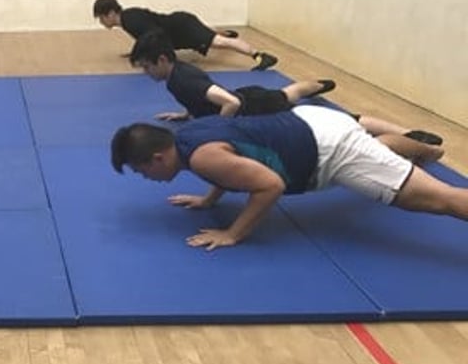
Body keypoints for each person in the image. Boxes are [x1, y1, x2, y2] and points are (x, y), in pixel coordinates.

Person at [109, 105, 468, 250]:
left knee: (440, 200)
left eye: (142, 171)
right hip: (314, 119)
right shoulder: (188, 134)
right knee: (370, 147)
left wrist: (233, 233)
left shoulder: (202, 157)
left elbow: (270, 185)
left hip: (334, 150)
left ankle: (420, 155)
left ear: (157, 158)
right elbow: (234, 160)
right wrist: (209, 200)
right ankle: (424, 150)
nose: (147, 179)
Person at [127, 30, 445, 163]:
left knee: (343, 122)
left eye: (146, 66)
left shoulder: (182, 79)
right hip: (254, 97)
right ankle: (316, 86)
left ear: (163, 60)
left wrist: (218, 129)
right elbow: (201, 99)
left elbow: (230, 103)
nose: (145, 73)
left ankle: (407, 135)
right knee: (288, 93)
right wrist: (187, 116)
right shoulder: (175, 77)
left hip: (254, 107)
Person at [92, 0, 278, 71]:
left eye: (101, 18)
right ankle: (223, 33)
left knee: (219, 43)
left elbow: (155, 33)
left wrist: (169, 60)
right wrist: (137, 52)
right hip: (180, 25)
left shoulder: (130, 19)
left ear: (110, 13)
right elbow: (146, 35)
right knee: (212, 37)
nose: (101, 22)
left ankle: (260, 56)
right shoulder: (128, 18)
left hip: (182, 28)